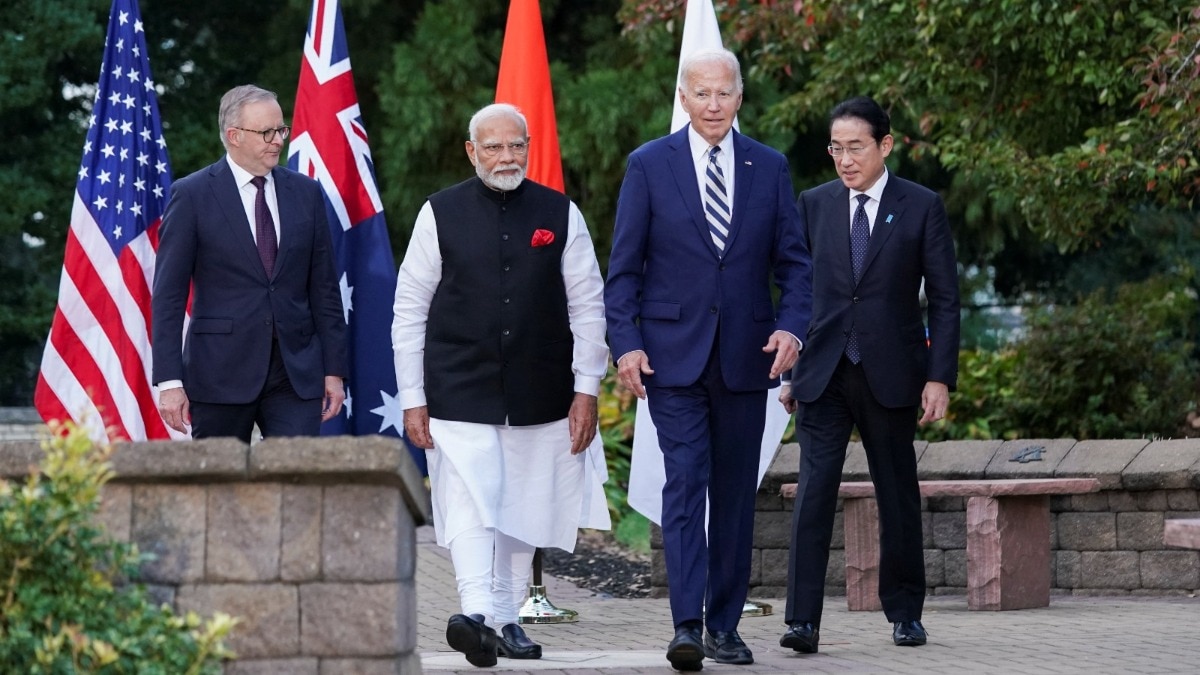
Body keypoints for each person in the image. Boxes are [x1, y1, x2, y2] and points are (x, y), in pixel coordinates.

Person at [605, 49, 813, 671]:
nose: (714, 105)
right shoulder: (648, 165)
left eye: (725, 94)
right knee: (685, 482)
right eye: (702, 94)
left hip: (748, 360)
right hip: (671, 362)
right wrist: (627, 344)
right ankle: (686, 625)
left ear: (740, 98)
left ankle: (725, 626)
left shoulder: (769, 167)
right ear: (684, 97)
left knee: (733, 496)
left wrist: (792, 330)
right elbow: (624, 273)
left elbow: (796, 267)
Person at [391, 103, 611, 668]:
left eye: (516, 145)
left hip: (543, 388)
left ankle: (505, 619)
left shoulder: (561, 213)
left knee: (524, 502)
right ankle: (475, 612)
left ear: (529, 147)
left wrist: (587, 388)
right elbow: (409, 309)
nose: (506, 157)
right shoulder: (438, 212)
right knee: (469, 498)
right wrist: (412, 397)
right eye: (494, 147)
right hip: (458, 385)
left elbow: (588, 306)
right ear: (472, 151)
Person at [778, 95, 961, 653]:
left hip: (891, 371)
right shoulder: (814, 204)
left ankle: (906, 613)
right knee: (813, 494)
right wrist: (789, 370)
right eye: (836, 147)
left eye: (856, 147)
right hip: (823, 373)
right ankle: (802, 621)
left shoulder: (921, 205)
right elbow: (798, 291)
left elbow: (946, 301)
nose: (844, 159)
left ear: (885, 145)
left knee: (897, 493)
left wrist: (939, 376)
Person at [152, 84, 347, 442]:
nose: (278, 140)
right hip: (218, 372)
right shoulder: (192, 195)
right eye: (266, 132)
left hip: (295, 372)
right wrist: (169, 382)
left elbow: (324, 289)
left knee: (293, 481)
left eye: (281, 129)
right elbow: (168, 295)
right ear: (234, 136)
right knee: (218, 488)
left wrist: (334, 370)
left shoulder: (306, 193)